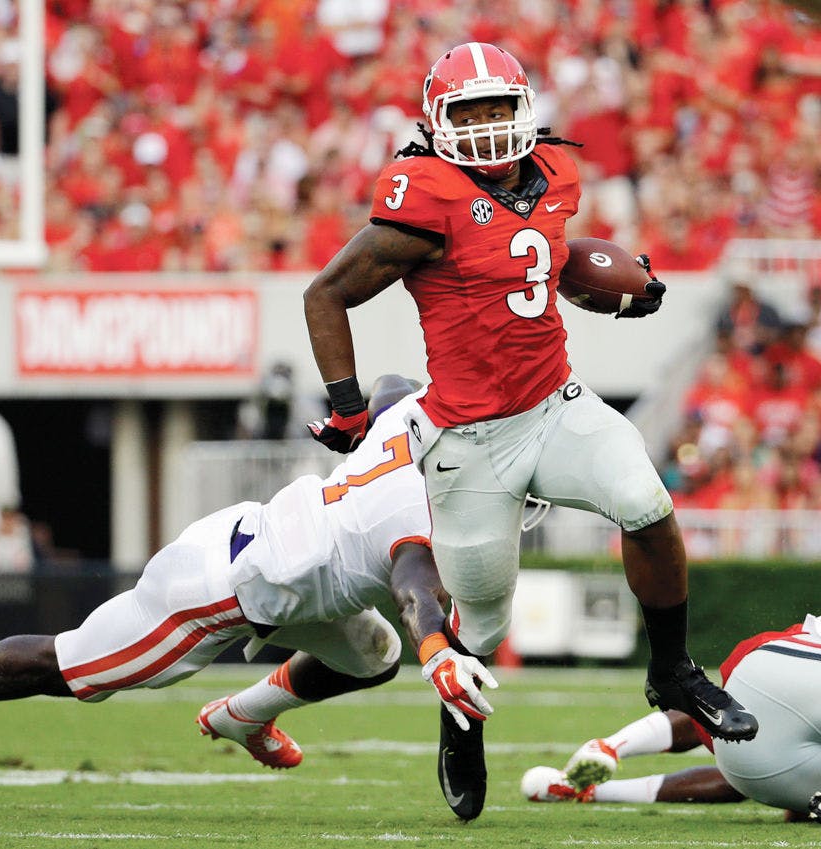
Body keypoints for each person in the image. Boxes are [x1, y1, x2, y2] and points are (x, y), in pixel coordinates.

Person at [302, 42, 757, 822]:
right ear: (436, 122)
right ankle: (461, 715)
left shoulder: (555, 174)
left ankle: (675, 670)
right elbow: (326, 293)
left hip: (556, 404)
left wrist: (619, 290)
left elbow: (542, 263)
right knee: (481, 620)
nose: (483, 127)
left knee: (647, 503)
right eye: (466, 112)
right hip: (468, 437)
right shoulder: (426, 196)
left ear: (525, 110)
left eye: (495, 109)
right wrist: (347, 407)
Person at [0, 375, 498, 800]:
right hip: (216, 593)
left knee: (371, 655)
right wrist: (440, 652)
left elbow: (391, 391)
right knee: (74, 667)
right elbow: (415, 582)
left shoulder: (398, 438)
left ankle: (243, 716)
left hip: (267, 559)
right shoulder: (418, 501)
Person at [521, 613, 821, 821]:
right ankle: (595, 792)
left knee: (731, 722)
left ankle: (610, 749)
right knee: (756, 754)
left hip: (772, 655)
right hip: (806, 675)